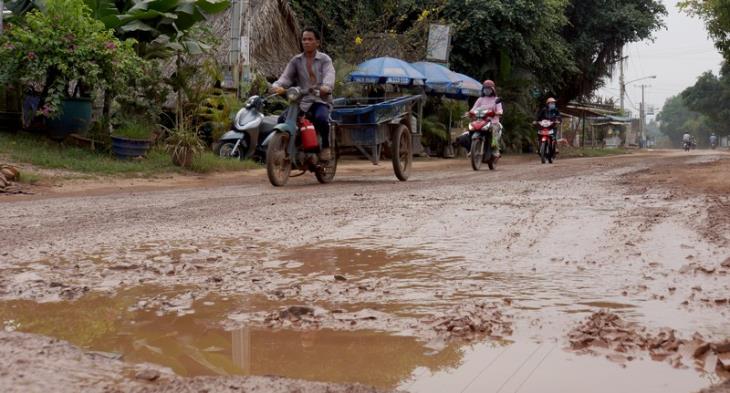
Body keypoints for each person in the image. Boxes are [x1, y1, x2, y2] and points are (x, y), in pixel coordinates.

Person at [271, 27, 336, 160]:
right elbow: (286, 77)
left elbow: (330, 75)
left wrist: (326, 87)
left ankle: (325, 146)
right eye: (304, 39)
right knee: (282, 119)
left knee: (321, 119)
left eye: (310, 39)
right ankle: (289, 148)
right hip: (301, 101)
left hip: (319, 100)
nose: (306, 42)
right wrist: (277, 86)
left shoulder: (325, 59)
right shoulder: (296, 60)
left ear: (317, 42)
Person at [459, 80, 504, 156]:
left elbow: (500, 109)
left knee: (494, 130)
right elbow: (474, 108)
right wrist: (469, 113)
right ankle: (472, 149)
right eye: (485, 88)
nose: (487, 90)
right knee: (470, 130)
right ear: (483, 89)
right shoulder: (480, 99)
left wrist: (499, 112)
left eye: (489, 88)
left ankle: (495, 150)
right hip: (481, 120)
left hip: (493, 121)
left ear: (492, 89)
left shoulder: (496, 99)